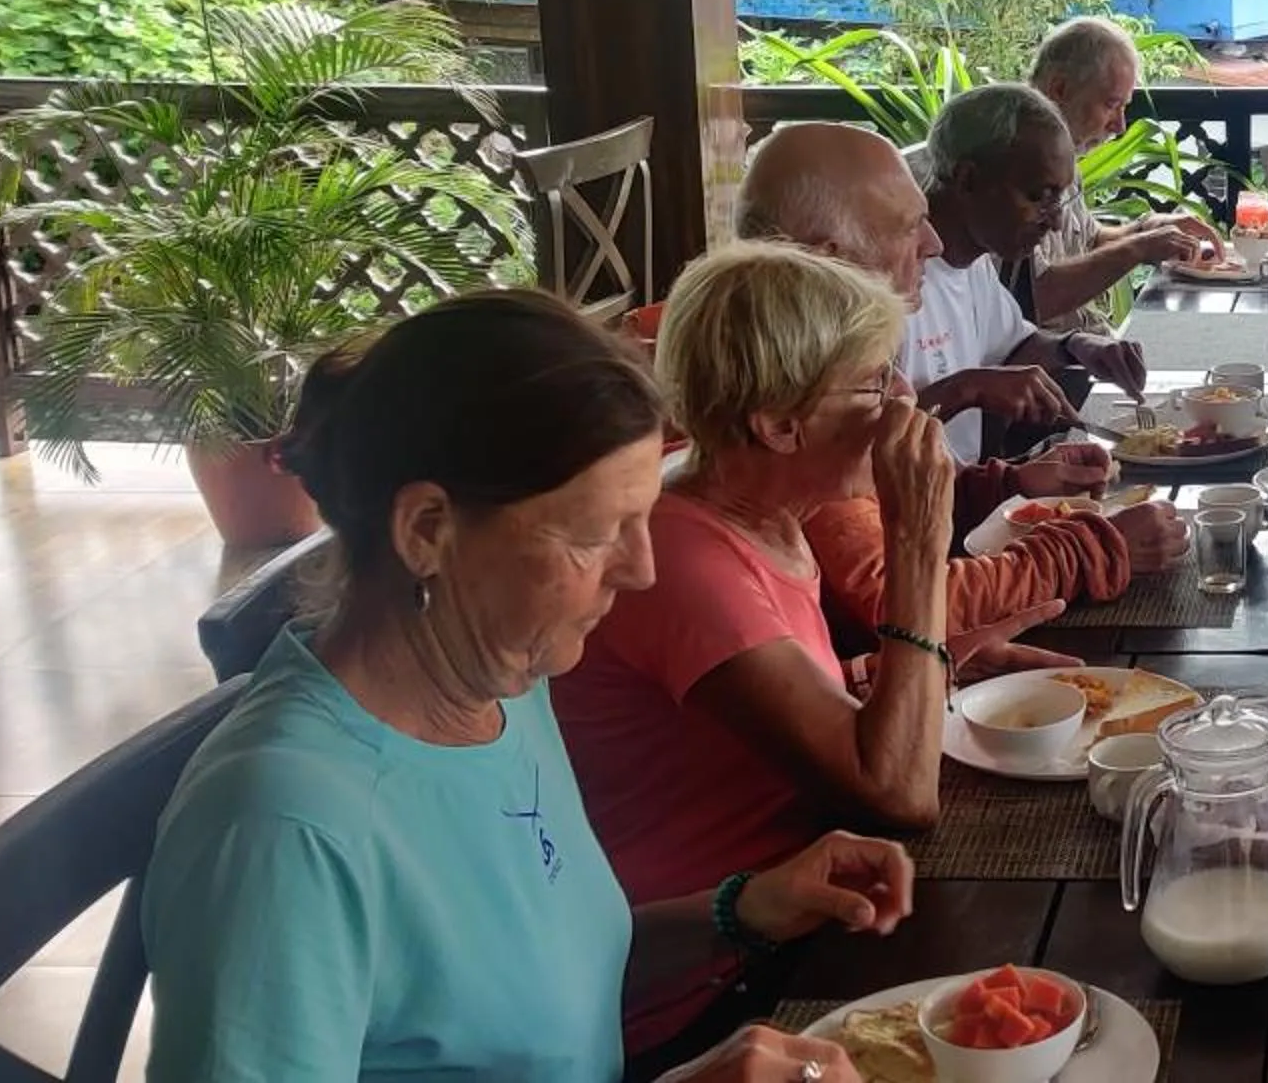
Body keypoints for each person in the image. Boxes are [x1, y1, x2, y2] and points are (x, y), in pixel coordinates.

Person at [142, 291, 905, 1083]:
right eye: (594, 533)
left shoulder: (506, 688)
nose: (641, 568)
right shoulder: (284, 828)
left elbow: (528, 990)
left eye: (643, 519)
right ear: (428, 531)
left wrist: (745, 908)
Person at [553, 243, 1175, 1057]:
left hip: (807, 899)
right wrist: (920, 538)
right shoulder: (687, 561)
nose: (907, 404)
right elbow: (896, 792)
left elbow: (743, 717)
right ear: (778, 423)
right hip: (709, 994)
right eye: (877, 383)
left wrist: (897, 670)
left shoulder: (763, 515)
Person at [729, 123, 1185, 612]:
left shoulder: (843, 352)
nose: (934, 244)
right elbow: (902, 601)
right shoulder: (794, 388)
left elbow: (892, 498)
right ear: (828, 258)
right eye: (907, 227)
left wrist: (1011, 485)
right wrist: (1094, 549)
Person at [911, 83, 1149, 463]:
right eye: (1039, 196)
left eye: (1061, 198)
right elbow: (855, 445)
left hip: (971, 489)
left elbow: (1012, 345)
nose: (1055, 222)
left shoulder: (973, 263)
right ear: (967, 178)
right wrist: (966, 389)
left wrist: (1076, 346)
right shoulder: (890, 280)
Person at [1016, 16, 1221, 332]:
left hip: (1084, 347)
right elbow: (1035, 297)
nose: (1120, 126)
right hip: (1051, 366)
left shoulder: (1059, 152)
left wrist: (1146, 229)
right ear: (1059, 89)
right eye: (1111, 105)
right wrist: (1138, 248)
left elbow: (1089, 241)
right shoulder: (1011, 168)